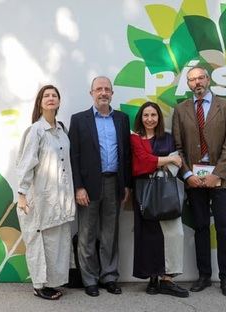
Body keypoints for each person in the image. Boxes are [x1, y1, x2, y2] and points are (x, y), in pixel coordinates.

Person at [172, 66, 226, 296]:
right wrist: (188, 175)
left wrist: (217, 174)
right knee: (200, 228)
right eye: (192, 80)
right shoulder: (181, 110)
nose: (197, 82)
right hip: (195, 181)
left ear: (208, 80)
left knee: (223, 229)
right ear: (188, 84)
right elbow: (177, 147)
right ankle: (203, 276)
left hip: (222, 179)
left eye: (200, 78)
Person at [68, 76, 131, 297]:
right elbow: (73, 156)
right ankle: (90, 280)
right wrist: (78, 187)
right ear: (91, 93)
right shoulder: (79, 120)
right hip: (88, 185)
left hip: (114, 182)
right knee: (86, 233)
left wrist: (126, 185)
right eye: (99, 89)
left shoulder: (122, 119)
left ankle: (109, 277)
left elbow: (126, 154)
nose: (103, 92)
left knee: (110, 233)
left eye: (107, 89)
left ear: (112, 93)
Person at [16, 85, 75, 300]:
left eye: (54, 95)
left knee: (56, 241)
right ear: (40, 102)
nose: (50, 98)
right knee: (39, 240)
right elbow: (25, 164)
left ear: (59, 101)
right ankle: (39, 285)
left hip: (59, 197)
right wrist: (22, 194)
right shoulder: (36, 131)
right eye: (46, 96)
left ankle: (52, 282)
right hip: (38, 197)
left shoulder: (62, 130)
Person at [130, 101, 189, 297]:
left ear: (159, 118)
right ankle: (153, 278)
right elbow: (140, 164)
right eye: (145, 115)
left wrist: (163, 162)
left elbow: (177, 163)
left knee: (174, 234)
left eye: (153, 115)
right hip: (144, 192)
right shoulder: (135, 138)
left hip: (166, 192)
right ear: (141, 118)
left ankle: (168, 279)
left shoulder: (168, 138)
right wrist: (166, 160)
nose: (149, 119)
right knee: (149, 237)